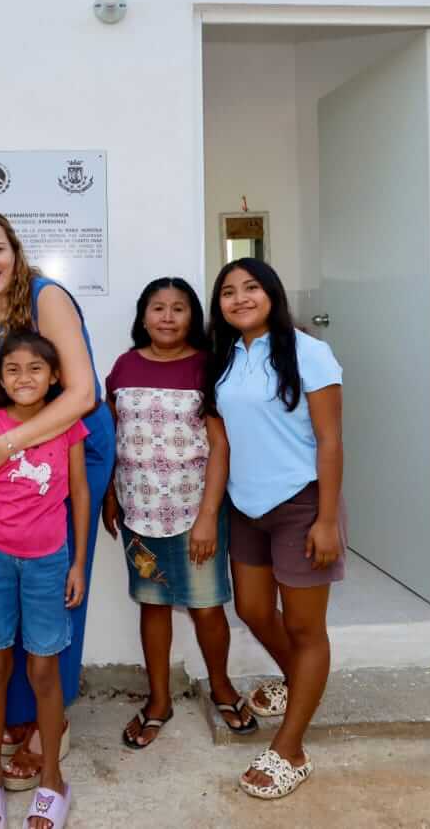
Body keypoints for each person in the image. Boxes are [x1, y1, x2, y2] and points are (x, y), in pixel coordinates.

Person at [0, 208, 115, 789]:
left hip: (69, 455)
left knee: (56, 589)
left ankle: (54, 723)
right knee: (10, 586)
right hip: (9, 462)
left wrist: (8, 444)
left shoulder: (47, 298)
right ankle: (21, 714)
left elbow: (84, 393)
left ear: (15, 253)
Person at [202, 259, 345, 801]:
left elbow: (331, 441)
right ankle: (303, 683)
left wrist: (327, 519)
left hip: (301, 504)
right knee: (254, 610)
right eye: (228, 292)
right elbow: (223, 443)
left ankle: (291, 749)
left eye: (251, 288)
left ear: (272, 293)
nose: (239, 298)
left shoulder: (309, 352)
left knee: (308, 630)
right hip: (247, 506)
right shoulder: (224, 359)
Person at [102, 277, 255, 750]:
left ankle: (222, 687)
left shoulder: (207, 367)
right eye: (157, 308)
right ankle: (158, 701)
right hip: (138, 513)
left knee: (208, 608)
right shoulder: (124, 366)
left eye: (178, 308)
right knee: (153, 604)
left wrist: (210, 516)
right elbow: (112, 436)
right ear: (142, 315)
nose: (167, 317)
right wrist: (111, 493)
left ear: (194, 317)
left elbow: (221, 446)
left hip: (196, 513)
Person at [0, 330, 89, 829]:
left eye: (36, 368)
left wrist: (77, 564)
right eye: (12, 369)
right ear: (1, 378)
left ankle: (53, 778)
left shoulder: (67, 425)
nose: (24, 377)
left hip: (47, 563)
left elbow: (79, 492)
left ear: (54, 376)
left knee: (42, 671)